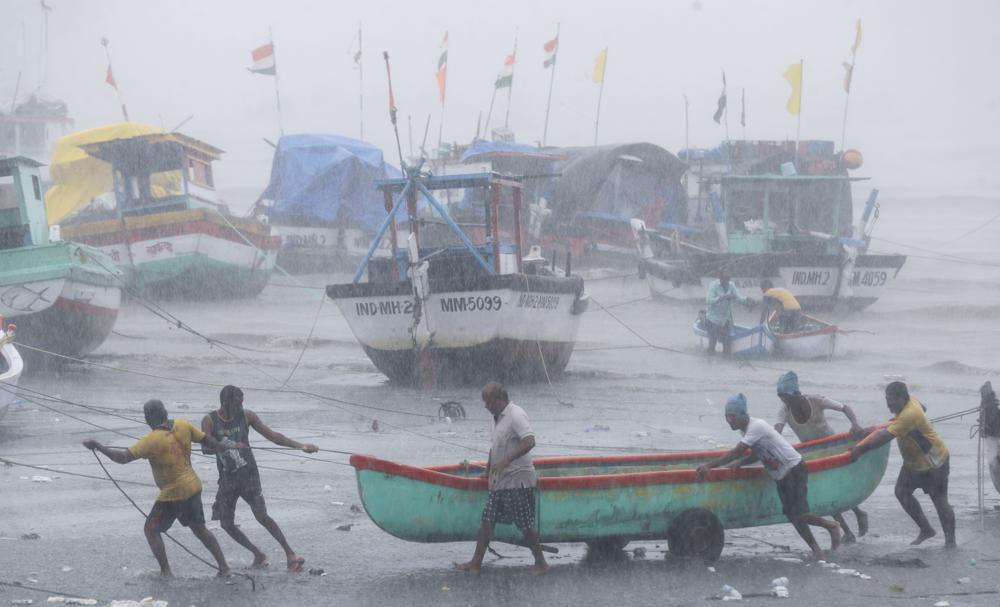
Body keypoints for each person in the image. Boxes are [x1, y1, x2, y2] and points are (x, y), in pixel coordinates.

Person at [82, 399, 239, 578]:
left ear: (148, 418)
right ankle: (224, 568)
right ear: (165, 412)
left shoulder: (151, 440)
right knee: (200, 529)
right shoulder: (183, 424)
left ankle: (166, 571)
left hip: (173, 494)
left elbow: (124, 457)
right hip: (194, 486)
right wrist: (221, 446)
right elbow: (206, 440)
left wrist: (98, 447)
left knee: (151, 529)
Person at [696, 393, 841, 559]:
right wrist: (742, 463)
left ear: (743, 415)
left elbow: (736, 452)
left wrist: (709, 465)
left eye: (733, 416)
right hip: (781, 475)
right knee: (794, 517)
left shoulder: (756, 426)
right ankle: (817, 551)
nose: (729, 420)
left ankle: (831, 526)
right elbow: (759, 452)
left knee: (800, 514)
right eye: (727, 416)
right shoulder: (746, 431)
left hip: (794, 468)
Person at [201, 385, 317, 571]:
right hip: (227, 479)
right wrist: (227, 445)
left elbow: (274, 437)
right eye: (237, 404)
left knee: (262, 515)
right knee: (226, 523)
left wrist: (301, 446)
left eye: (242, 403)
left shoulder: (247, 416)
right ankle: (257, 553)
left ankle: (290, 553)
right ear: (226, 403)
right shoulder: (210, 420)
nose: (241, 407)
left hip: (249, 476)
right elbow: (205, 449)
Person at [455, 382, 548, 575]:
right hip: (500, 480)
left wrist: (507, 459)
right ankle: (475, 563)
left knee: (525, 524)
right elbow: (494, 447)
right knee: (487, 521)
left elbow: (530, 441)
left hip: (518, 480)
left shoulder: (516, 414)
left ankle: (541, 563)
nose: (486, 407)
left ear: (499, 399)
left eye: (488, 402)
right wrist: (488, 470)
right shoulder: (495, 418)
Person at [850, 381, 955, 546]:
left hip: (935, 462)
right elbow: (923, 407)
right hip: (913, 462)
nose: (888, 405)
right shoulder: (911, 401)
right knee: (901, 492)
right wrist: (900, 421)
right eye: (886, 401)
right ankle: (927, 530)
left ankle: (950, 542)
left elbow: (883, 438)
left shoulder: (909, 414)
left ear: (902, 398)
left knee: (939, 500)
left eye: (891, 402)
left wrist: (859, 450)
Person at [774, 371, 869, 543]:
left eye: (785, 397)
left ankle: (859, 513)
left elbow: (845, 408)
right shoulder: (784, 410)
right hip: (813, 454)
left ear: (794, 394)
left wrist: (854, 424)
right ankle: (846, 531)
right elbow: (777, 430)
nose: (783, 401)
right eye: (781, 397)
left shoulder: (816, 400)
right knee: (827, 493)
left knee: (839, 486)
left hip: (833, 448)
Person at [704, 271, 753, 356]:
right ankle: (710, 362)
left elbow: (738, 298)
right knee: (712, 344)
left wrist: (747, 301)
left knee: (727, 346)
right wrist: (722, 298)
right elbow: (708, 300)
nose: (727, 283)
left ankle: (726, 364)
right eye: (725, 280)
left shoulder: (731, 285)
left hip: (725, 320)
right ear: (720, 279)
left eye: (728, 280)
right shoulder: (713, 285)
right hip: (713, 320)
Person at [979, 381, 1000, 494]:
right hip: (992, 438)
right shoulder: (990, 411)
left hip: (995, 440)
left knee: (994, 464)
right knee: (993, 464)